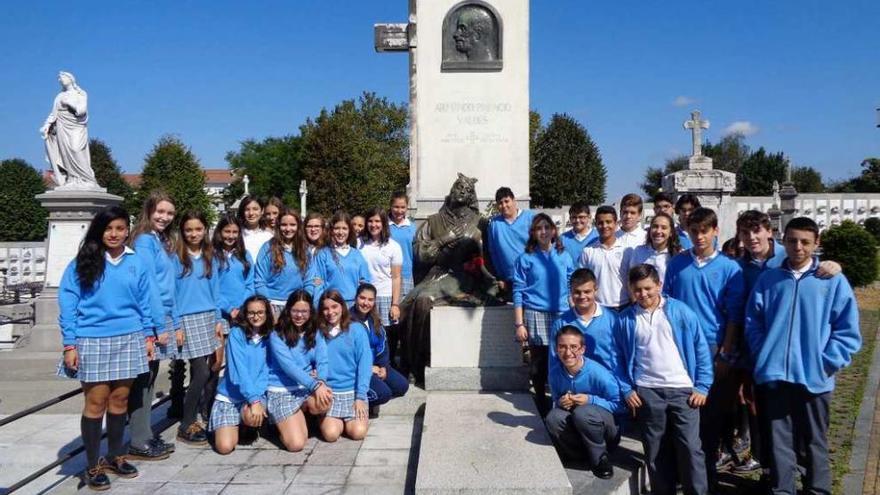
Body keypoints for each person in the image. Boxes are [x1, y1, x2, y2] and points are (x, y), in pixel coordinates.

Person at [745, 217, 861, 495]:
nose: (798, 247)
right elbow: (753, 322)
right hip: (774, 375)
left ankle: (817, 489)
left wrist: (828, 362)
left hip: (814, 376)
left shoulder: (831, 280)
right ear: (783, 241)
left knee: (814, 439)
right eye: (793, 240)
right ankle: (783, 489)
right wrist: (764, 354)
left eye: (805, 242)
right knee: (779, 439)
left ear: (816, 243)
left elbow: (847, 329)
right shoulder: (769, 279)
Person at [56, 206, 153, 490]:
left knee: (120, 401)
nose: (114, 234)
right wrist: (69, 344)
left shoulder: (136, 262)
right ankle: (92, 464)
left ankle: (115, 455)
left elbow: (144, 301)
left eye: (120, 228)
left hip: (130, 337)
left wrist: (148, 335)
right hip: (93, 339)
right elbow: (68, 303)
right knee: (96, 402)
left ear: (127, 231)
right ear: (99, 231)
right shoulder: (83, 262)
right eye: (109, 228)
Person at [663, 207, 745, 488]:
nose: (699, 236)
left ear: (715, 232)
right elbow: (666, 304)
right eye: (693, 231)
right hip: (679, 348)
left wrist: (725, 352)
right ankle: (679, 476)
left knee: (709, 422)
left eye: (704, 231)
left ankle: (706, 480)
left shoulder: (730, 269)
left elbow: (734, 314)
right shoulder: (677, 264)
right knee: (682, 418)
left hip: (712, 348)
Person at [617, 264, 713, 495]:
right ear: (631, 289)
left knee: (690, 449)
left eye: (648, 288)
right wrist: (627, 390)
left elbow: (701, 349)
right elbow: (617, 358)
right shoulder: (626, 320)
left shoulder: (681, 312)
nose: (644, 294)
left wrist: (702, 385)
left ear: (659, 285)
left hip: (684, 392)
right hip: (648, 392)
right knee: (656, 451)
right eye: (638, 290)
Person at [127, 192, 177, 460]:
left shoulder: (159, 240)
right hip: (151, 320)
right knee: (143, 381)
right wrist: (159, 325)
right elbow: (150, 289)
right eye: (160, 212)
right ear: (149, 211)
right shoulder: (145, 241)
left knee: (149, 378)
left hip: (162, 316)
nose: (165, 217)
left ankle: (144, 435)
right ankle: (138, 440)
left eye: (169, 213)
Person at [512, 213, 575, 413]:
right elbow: (518, 292)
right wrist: (519, 324)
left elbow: (571, 283)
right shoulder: (525, 259)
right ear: (533, 233)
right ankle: (541, 403)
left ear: (554, 231)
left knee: (563, 358)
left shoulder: (564, 255)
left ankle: (562, 400)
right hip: (535, 313)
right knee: (539, 364)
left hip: (561, 314)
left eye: (547, 227)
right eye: (539, 228)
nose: (543, 231)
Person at [172, 211, 223, 446]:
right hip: (186, 319)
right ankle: (186, 422)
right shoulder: (176, 258)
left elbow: (215, 291)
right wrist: (176, 324)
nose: (194, 234)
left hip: (207, 317)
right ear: (183, 232)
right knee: (201, 371)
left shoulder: (210, 256)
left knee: (209, 369)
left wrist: (217, 320)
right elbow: (171, 294)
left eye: (198, 229)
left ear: (205, 230)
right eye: (189, 230)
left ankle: (192, 417)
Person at [545, 326, 622, 479]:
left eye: (573, 347)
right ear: (556, 349)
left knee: (583, 412)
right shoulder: (554, 374)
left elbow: (620, 405)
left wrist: (590, 400)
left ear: (582, 349)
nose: (568, 353)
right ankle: (578, 454)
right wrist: (561, 403)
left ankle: (600, 458)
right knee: (553, 417)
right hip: (578, 423)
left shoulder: (599, 374)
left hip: (605, 428)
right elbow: (555, 400)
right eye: (562, 347)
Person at [267, 290, 334, 451]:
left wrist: (321, 382)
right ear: (288, 310)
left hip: (304, 388)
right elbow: (289, 367)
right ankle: (277, 424)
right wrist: (315, 386)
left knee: (326, 399)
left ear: (310, 312)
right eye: (295, 311)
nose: (299, 315)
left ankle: (302, 416)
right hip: (282, 389)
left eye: (304, 311)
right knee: (297, 444)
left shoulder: (315, 331)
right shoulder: (277, 334)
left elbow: (322, 360)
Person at [209, 295, 272, 455]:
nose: (256, 316)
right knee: (224, 447)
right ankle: (227, 425)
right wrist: (254, 399)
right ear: (245, 313)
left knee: (252, 415)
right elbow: (239, 371)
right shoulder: (237, 334)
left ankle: (248, 425)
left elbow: (267, 370)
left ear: (266, 313)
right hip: (231, 396)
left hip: (255, 393)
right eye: (251, 313)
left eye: (260, 312)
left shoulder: (269, 336)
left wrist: (256, 398)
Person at [317, 290, 373, 442]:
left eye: (334, 307)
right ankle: (323, 420)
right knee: (331, 434)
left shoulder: (357, 329)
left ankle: (351, 420)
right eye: (326, 308)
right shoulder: (319, 333)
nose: (330, 312)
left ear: (342, 306)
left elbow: (365, 363)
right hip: (330, 394)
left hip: (353, 393)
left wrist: (361, 396)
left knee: (358, 433)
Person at [350, 284, 409, 417]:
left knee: (402, 386)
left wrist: (383, 367)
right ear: (356, 298)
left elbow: (382, 345)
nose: (366, 303)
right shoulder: (347, 321)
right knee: (383, 394)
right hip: (358, 370)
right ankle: (352, 402)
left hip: (377, 366)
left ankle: (372, 392)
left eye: (370, 300)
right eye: (362, 298)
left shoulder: (374, 319)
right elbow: (346, 355)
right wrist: (369, 368)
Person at [548, 268, 618, 373]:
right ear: (570, 292)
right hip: (574, 385)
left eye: (587, 291)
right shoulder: (561, 323)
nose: (582, 296)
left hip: (607, 383)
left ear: (595, 290)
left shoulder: (612, 319)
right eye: (577, 292)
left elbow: (620, 356)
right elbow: (554, 360)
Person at [40, 71, 97, 188]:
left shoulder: (80, 94)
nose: (60, 80)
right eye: (59, 79)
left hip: (76, 126)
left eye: (62, 77)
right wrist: (47, 125)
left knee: (76, 149)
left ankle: (87, 179)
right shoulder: (59, 96)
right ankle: (72, 179)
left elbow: (81, 111)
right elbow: (53, 113)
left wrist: (70, 103)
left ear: (71, 79)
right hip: (61, 126)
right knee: (65, 153)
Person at [255, 209, 314, 317]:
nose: (288, 229)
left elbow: (309, 281)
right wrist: (267, 304)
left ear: (298, 226)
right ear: (278, 226)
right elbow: (259, 281)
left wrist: (303, 301)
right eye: (284, 225)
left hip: (297, 305)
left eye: (292, 225)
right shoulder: (268, 248)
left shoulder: (305, 249)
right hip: (272, 304)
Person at [311, 211, 372, 305]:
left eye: (344, 228)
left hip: (353, 306)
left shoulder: (357, 254)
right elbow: (318, 283)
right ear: (331, 230)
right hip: (331, 306)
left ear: (349, 231)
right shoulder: (323, 254)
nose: (340, 232)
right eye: (337, 228)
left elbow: (365, 282)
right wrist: (317, 306)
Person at [487, 187, 535, 298]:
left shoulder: (531, 218)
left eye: (506, 201)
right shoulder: (494, 224)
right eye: (500, 203)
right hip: (509, 282)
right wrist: (499, 277)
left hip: (532, 278)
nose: (504, 206)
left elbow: (541, 246)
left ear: (514, 201)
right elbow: (492, 252)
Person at [360, 208, 403, 328]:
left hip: (384, 297)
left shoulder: (394, 247)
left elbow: (396, 277)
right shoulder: (358, 244)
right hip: (363, 297)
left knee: (386, 337)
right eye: (370, 221)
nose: (373, 225)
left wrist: (395, 304)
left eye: (377, 221)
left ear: (384, 223)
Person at [579, 206, 629, 309]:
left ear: (616, 224)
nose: (604, 226)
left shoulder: (627, 250)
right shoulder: (588, 251)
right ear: (596, 224)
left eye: (608, 222)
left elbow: (632, 280)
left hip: (625, 306)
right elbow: (582, 281)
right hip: (598, 308)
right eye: (600, 223)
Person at [624, 212, 682, 284]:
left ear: (671, 232)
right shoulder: (639, 252)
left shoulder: (678, 254)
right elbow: (631, 281)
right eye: (655, 226)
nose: (658, 231)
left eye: (664, 228)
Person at [389, 192, 416, 300]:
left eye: (402, 207)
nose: (399, 211)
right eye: (396, 207)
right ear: (390, 206)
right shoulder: (384, 226)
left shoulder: (413, 228)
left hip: (406, 274)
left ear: (407, 208)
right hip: (387, 273)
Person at [238, 196, 273, 263]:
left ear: (262, 211)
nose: (251, 213)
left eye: (255, 209)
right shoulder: (237, 235)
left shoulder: (269, 236)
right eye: (247, 209)